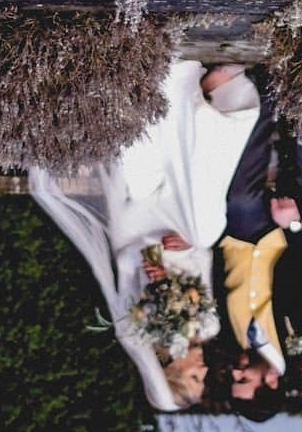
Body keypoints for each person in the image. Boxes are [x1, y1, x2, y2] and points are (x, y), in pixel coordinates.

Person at [28, 60, 261, 410]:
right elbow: (206, 259)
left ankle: (163, 88)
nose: (205, 369)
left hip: (140, 229)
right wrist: (188, 247)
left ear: (172, 371)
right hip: (182, 234)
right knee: (207, 230)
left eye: (195, 376)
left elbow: (121, 259)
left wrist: (153, 262)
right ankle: (209, 102)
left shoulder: (136, 328)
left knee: (142, 174)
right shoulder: (209, 326)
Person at [214, 70, 302, 402]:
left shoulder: (226, 340)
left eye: (232, 379)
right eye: (243, 381)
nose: (235, 373)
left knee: (239, 199)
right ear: (270, 381)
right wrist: (294, 226)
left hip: (241, 236)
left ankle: (263, 91)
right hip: (290, 239)